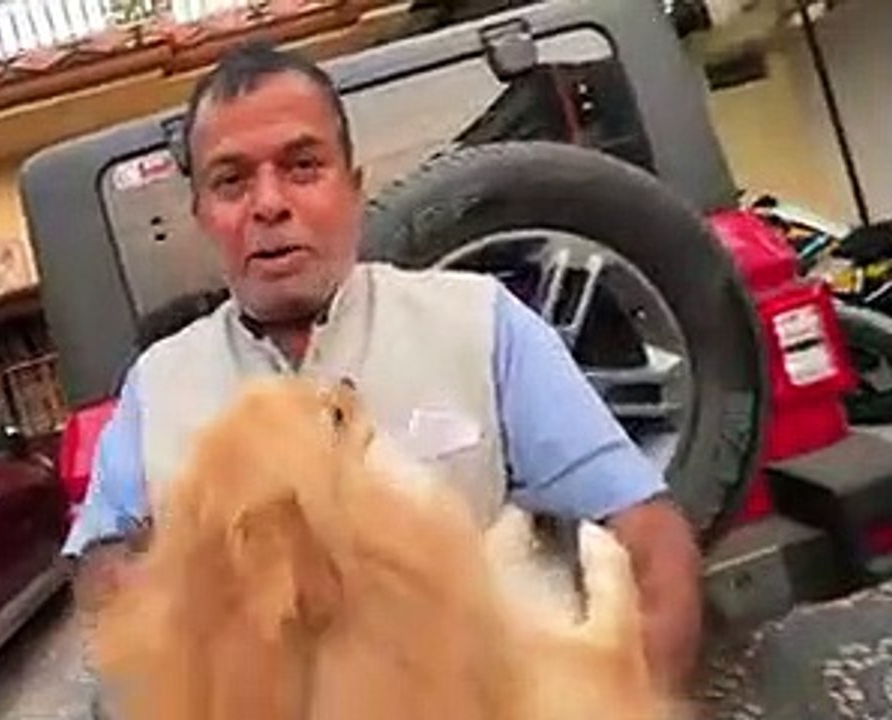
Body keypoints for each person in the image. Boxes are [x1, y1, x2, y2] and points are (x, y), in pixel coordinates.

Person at [63, 40, 703, 693]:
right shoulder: (159, 385)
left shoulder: (480, 324)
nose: (269, 203)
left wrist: (629, 699)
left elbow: (647, 534)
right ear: (202, 214)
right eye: (231, 181)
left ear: (353, 187)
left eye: (303, 166)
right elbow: (101, 574)